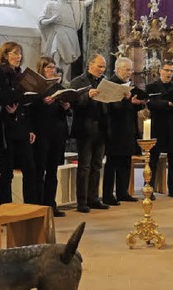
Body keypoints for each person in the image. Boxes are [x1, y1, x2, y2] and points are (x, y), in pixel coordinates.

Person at [0, 41, 37, 205]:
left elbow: (27, 103)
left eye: (20, 53)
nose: (19, 57)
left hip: (22, 127)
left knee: (30, 170)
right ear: (5, 55)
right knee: (7, 172)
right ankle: (6, 207)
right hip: (6, 129)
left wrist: (30, 128)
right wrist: (8, 109)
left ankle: (31, 206)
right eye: (15, 53)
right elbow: (0, 98)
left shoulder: (23, 76)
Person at [29, 56, 71, 217]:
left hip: (57, 132)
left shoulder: (57, 86)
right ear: (41, 68)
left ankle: (51, 204)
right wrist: (42, 102)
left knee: (53, 171)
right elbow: (29, 109)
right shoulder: (36, 87)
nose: (52, 70)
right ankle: (40, 205)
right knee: (40, 170)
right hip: (41, 132)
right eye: (48, 67)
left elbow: (65, 109)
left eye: (53, 67)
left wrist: (67, 106)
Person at [70, 54, 110, 213]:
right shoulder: (77, 81)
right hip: (85, 128)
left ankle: (94, 198)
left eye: (104, 67)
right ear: (90, 64)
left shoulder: (105, 82)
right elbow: (73, 103)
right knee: (84, 166)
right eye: (100, 66)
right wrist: (87, 96)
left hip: (101, 128)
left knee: (97, 165)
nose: (102, 69)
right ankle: (82, 201)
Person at [102, 57, 144, 206]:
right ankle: (107, 195)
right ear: (118, 69)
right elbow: (111, 107)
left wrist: (137, 103)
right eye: (127, 69)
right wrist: (127, 101)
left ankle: (122, 192)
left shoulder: (128, 85)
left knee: (126, 162)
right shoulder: (111, 84)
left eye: (131, 70)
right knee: (112, 164)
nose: (130, 72)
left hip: (128, 129)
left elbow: (131, 108)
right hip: (114, 129)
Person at [146, 61, 173, 199]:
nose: (169, 73)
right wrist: (167, 104)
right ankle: (149, 188)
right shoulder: (151, 87)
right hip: (158, 127)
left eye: (171, 71)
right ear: (160, 71)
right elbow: (151, 104)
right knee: (153, 159)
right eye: (167, 70)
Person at [39, 0, 95, 84]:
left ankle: (63, 78)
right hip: (58, 32)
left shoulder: (73, 5)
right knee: (56, 55)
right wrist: (51, 20)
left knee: (67, 58)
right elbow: (41, 20)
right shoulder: (51, 4)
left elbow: (83, 5)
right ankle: (54, 77)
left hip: (70, 33)